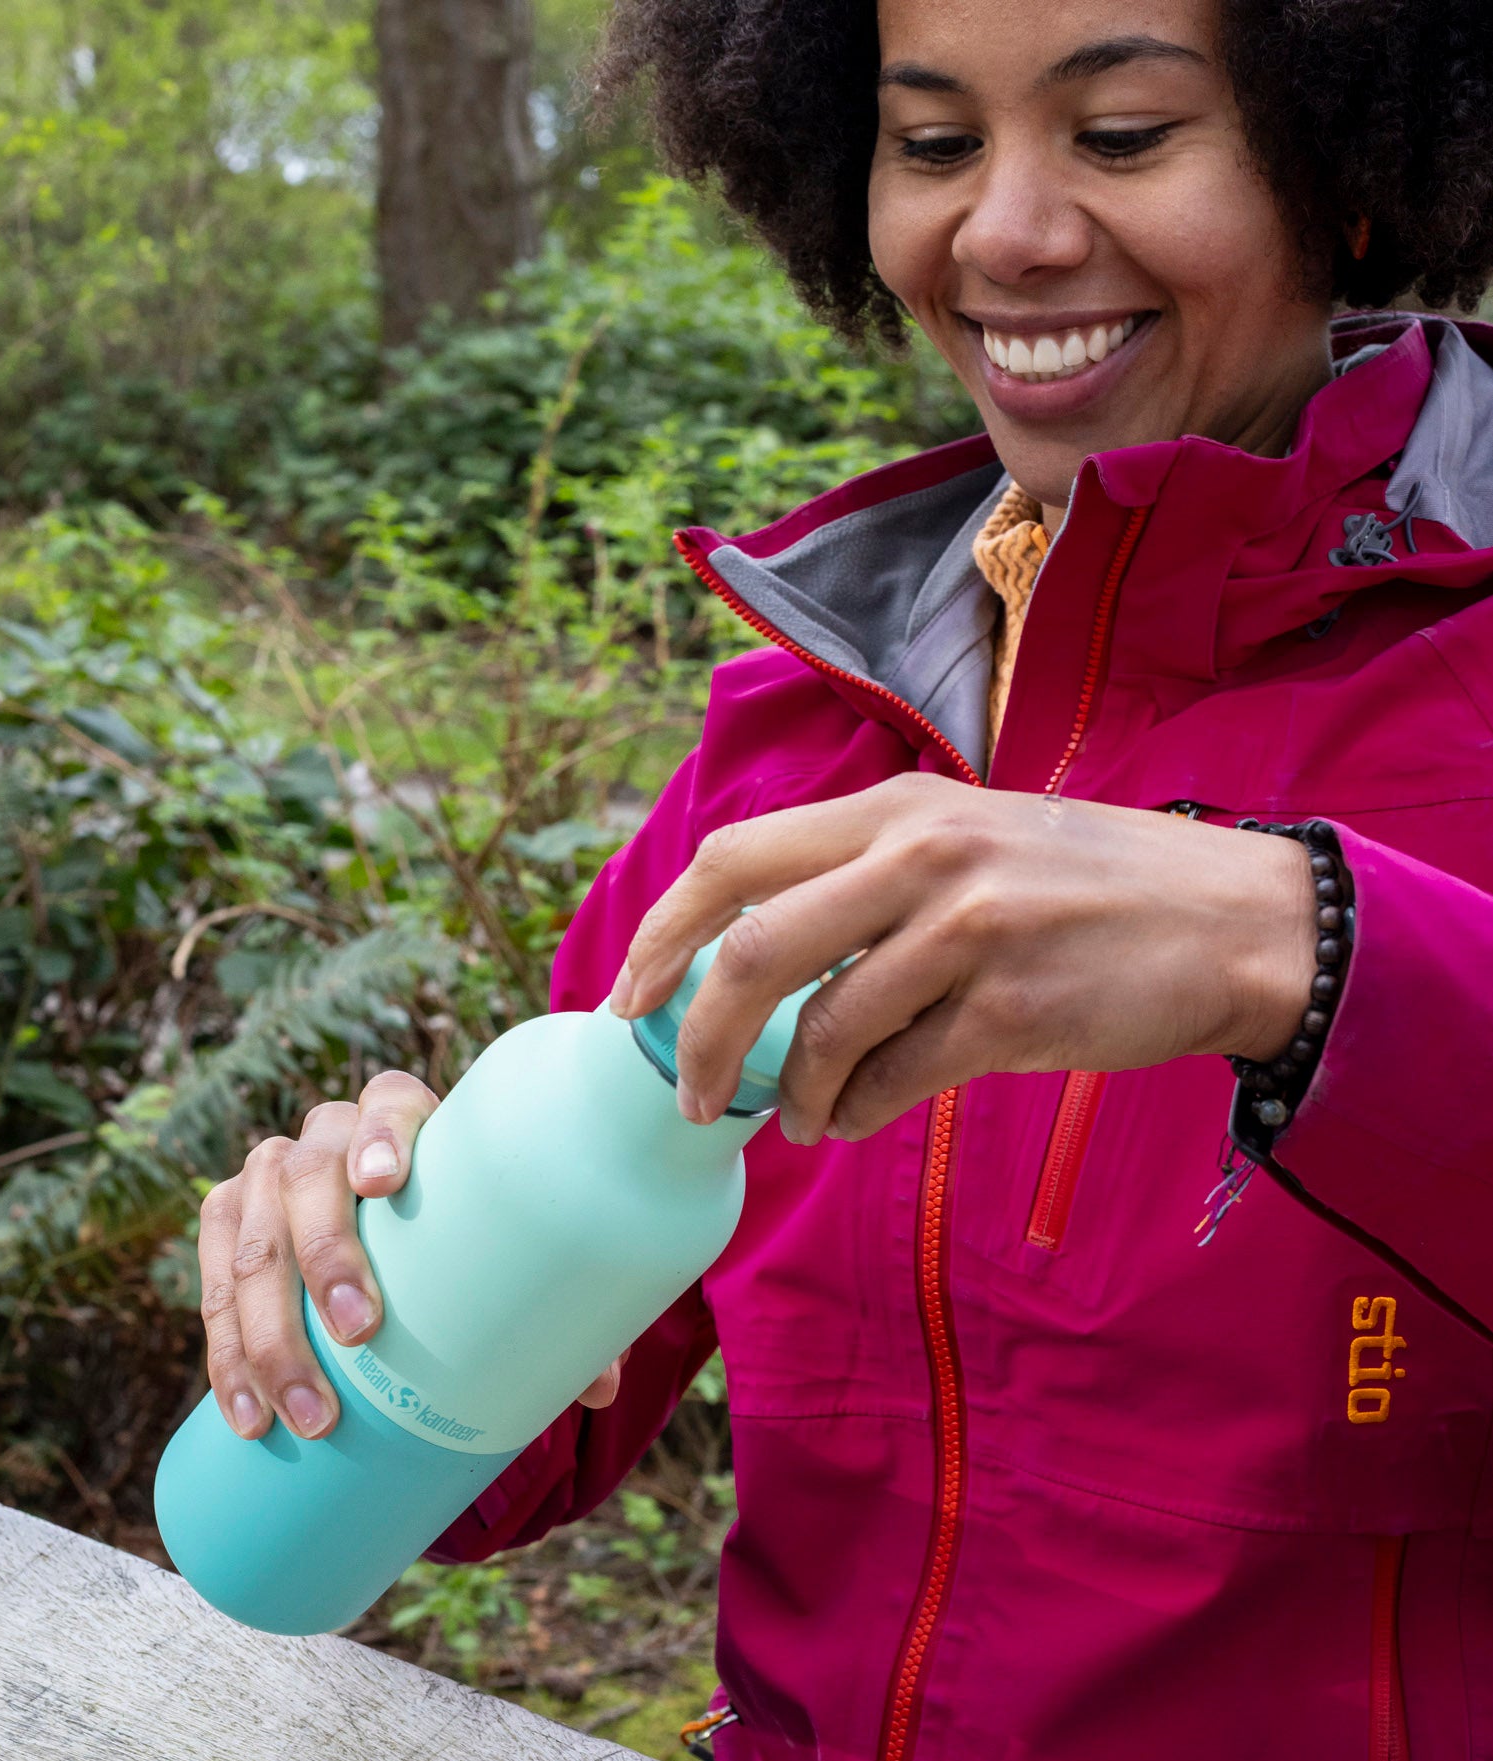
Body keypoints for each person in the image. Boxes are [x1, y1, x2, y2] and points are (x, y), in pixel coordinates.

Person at [193, 0, 1493, 1754]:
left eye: (1120, 136)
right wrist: (359, 1290)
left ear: (1342, 172)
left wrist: (1309, 952)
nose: (1006, 234)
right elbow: (531, 1433)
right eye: (935, 144)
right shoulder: (797, 738)